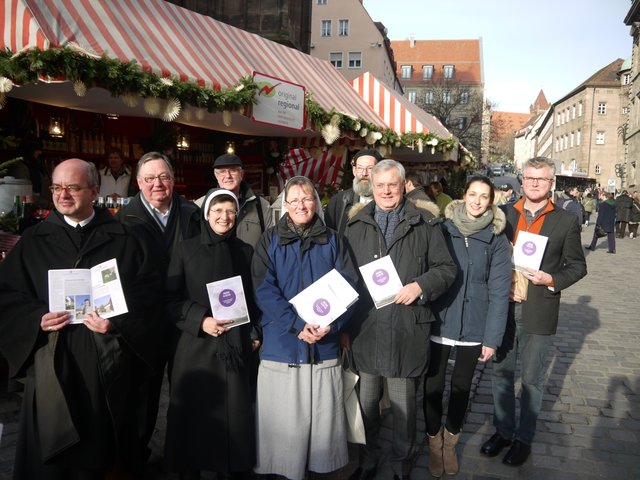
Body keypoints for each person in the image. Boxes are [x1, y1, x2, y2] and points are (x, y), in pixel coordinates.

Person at [0, 158, 161, 478]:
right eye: (57, 187)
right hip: (52, 362)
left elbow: (150, 297)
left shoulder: (126, 239)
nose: (63, 195)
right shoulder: (34, 240)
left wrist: (117, 323)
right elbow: (7, 295)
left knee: (101, 460)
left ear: (94, 191)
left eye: (72, 187)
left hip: (105, 366)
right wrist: (36, 319)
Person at [344, 160, 457, 480]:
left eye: (392, 185)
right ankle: (367, 461)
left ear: (404, 185)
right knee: (367, 406)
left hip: (406, 327)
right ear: (372, 187)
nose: (386, 191)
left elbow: (446, 269)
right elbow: (343, 275)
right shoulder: (355, 224)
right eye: (380, 186)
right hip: (367, 327)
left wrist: (420, 285)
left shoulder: (425, 222)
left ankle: (400, 465)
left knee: (404, 409)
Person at [251, 176, 359, 480]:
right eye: (294, 199)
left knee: (322, 420)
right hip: (282, 343)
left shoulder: (335, 240)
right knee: (284, 421)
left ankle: (319, 471)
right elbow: (263, 289)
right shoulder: (269, 240)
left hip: (323, 344)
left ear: (317, 202)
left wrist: (332, 323)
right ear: (285, 205)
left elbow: (348, 284)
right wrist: (297, 325)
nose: (301, 205)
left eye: (307, 198)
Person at [481, 157, 587, 467]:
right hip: (503, 307)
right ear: (522, 181)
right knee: (501, 372)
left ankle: (523, 438)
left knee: (532, 378)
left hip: (539, 307)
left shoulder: (565, 221)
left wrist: (551, 278)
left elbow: (578, 266)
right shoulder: (502, 215)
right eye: (530, 178)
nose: (535, 183)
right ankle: (502, 430)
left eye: (541, 179)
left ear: (551, 183)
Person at [164, 189, 258, 479]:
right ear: (206, 214)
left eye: (230, 211)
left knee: (235, 417)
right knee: (196, 420)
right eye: (217, 210)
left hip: (236, 348)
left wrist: (254, 331)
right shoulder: (185, 249)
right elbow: (169, 300)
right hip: (196, 348)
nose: (224, 217)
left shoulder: (245, 251)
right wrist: (200, 319)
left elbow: (253, 300)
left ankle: (232, 469)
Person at [423, 176, 512, 477]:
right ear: (462, 196)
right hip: (439, 317)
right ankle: (433, 442)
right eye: (472, 194)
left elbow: (500, 291)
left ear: (491, 201)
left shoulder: (497, 239)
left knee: (461, 387)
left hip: (475, 323)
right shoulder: (441, 229)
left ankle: (451, 440)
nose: (476, 201)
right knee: (433, 386)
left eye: (483, 196)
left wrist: (492, 337)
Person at [116, 151, 201, 462]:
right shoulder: (125, 220)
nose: (157, 184)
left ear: (173, 179)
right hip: (146, 320)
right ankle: (135, 458)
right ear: (138, 183)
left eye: (163, 177)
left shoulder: (192, 213)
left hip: (183, 317)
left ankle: (184, 455)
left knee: (187, 390)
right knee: (142, 394)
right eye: (149, 178)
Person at [194, 153, 273, 247]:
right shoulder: (200, 205)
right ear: (216, 175)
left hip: (251, 261)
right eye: (222, 171)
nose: (228, 176)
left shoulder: (262, 206)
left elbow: (270, 244)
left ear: (242, 174)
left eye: (233, 170)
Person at [324, 148, 383, 236]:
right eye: (360, 168)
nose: (364, 173)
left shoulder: (387, 201)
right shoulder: (339, 201)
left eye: (370, 168)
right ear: (354, 171)